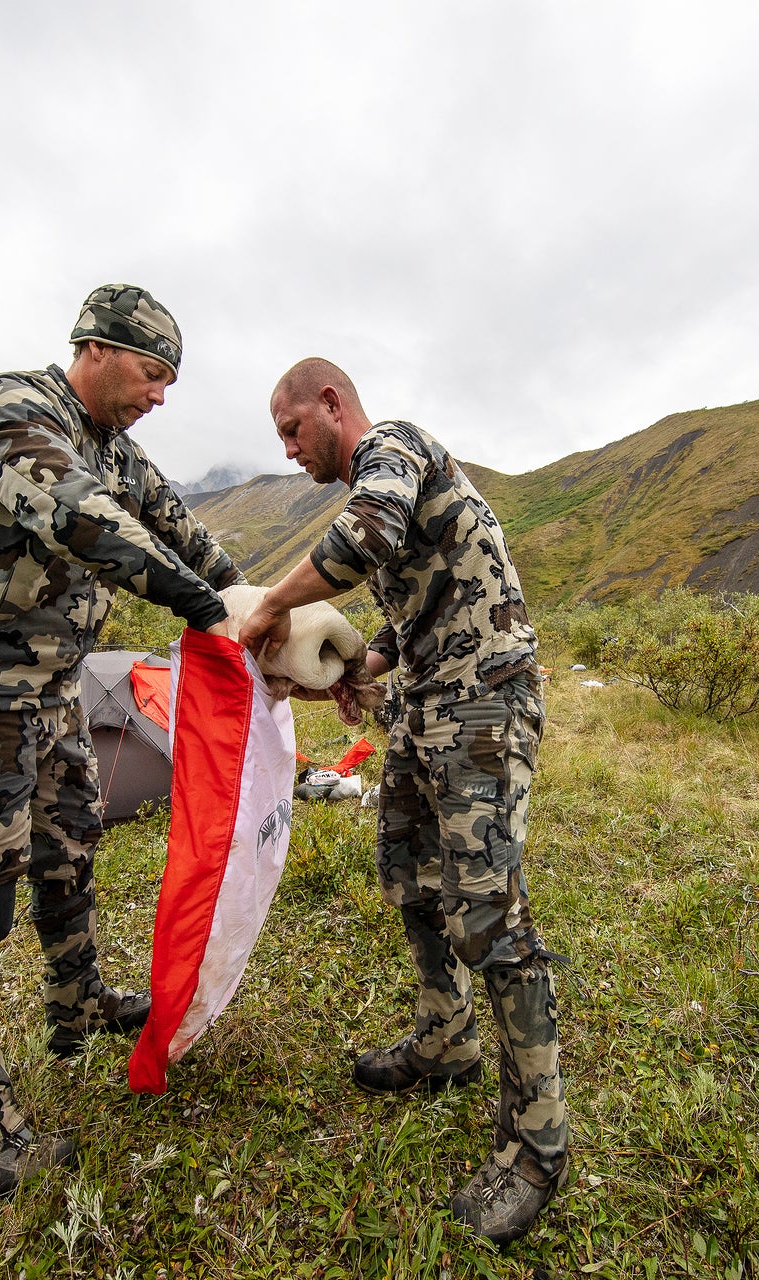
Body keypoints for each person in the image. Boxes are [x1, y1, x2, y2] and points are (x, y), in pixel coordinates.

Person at [0, 284, 243, 1194]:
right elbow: (84, 519)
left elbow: (180, 530)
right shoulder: (14, 408)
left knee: (70, 853)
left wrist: (252, 605)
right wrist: (206, 610)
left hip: (51, 697)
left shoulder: (115, 448)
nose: (161, 395)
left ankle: (76, 1001)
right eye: (152, 373)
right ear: (95, 347)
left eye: (171, 381)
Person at [237, 358, 567, 1244]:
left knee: (491, 921)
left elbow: (368, 535)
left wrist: (273, 605)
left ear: (332, 406)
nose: (290, 449)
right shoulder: (385, 479)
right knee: (414, 882)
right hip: (427, 705)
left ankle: (538, 1146)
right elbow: (411, 602)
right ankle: (445, 1038)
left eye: (291, 430)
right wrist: (358, 668)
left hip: (485, 704)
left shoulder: (395, 448)